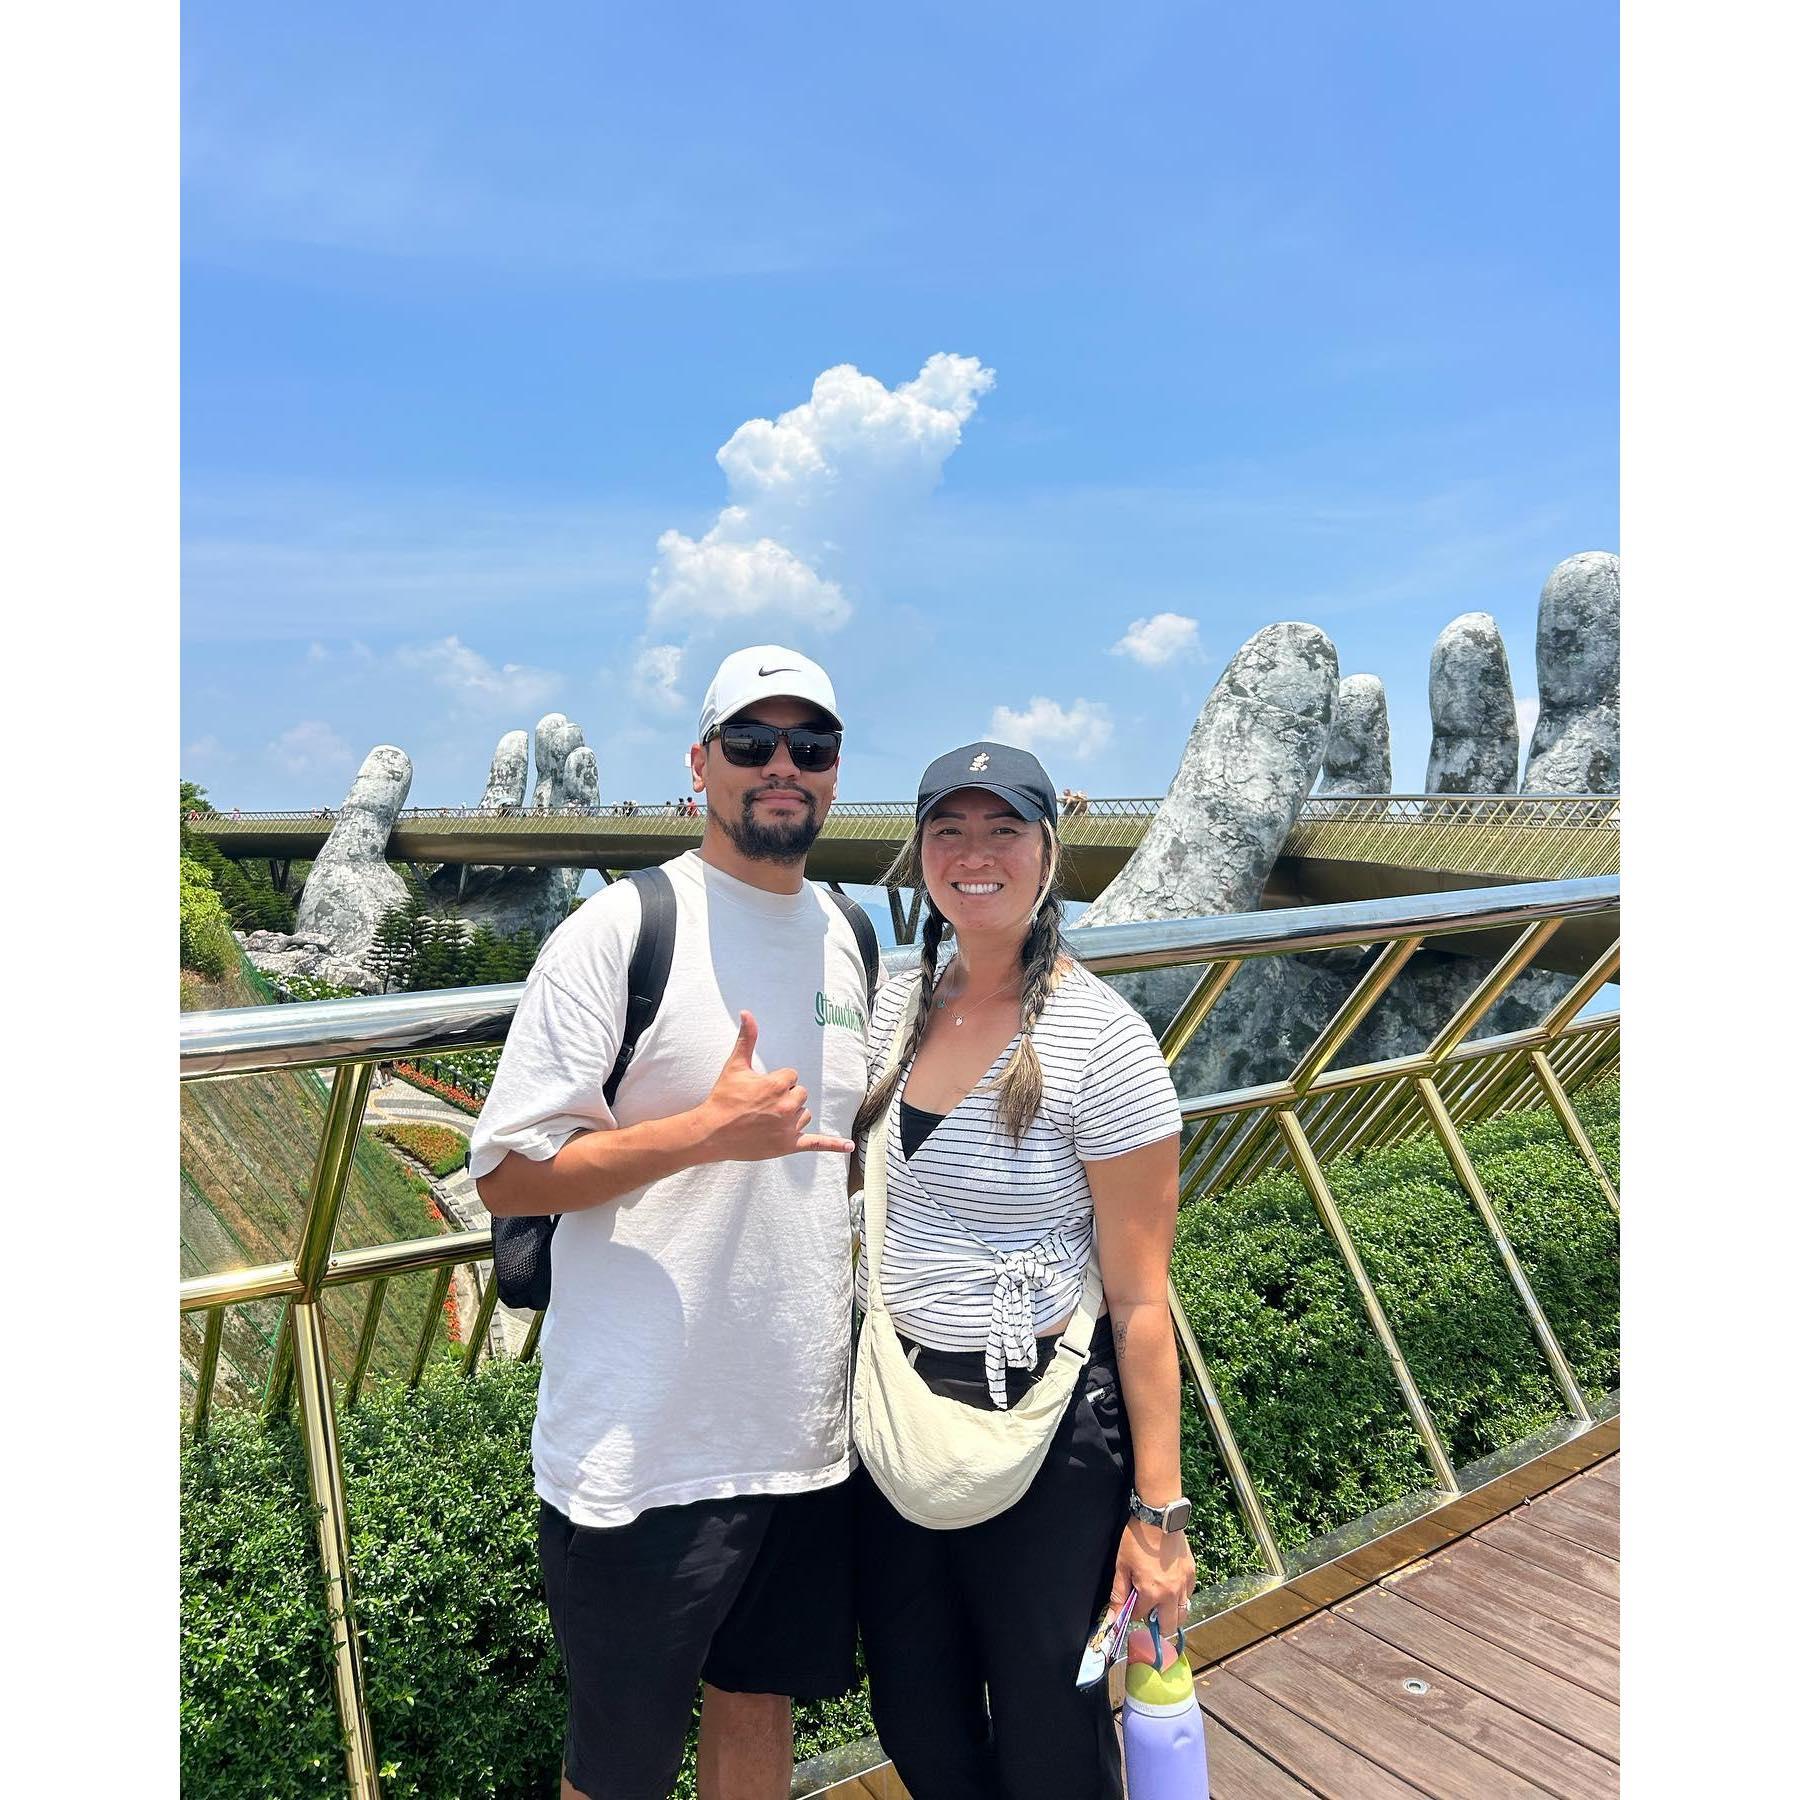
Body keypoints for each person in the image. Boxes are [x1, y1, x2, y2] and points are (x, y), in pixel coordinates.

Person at [471, 645, 871, 1800]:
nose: (782, 765)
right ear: (702, 765)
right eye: (752, 741)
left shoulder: (850, 933)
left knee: (759, 1703)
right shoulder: (623, 928)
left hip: (800, 1425)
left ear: (835, 770)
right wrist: (702, 1135)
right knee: (620, 1763)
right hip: (639, 1443)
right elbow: (508, 1176)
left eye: (810, 744)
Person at [850, 741, 1193, 1800]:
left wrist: (1160, 1520)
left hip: (1044, 1433)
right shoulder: (896, 1003)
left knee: (1050, 1735)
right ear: (919, 854)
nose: (975, 854)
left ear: (1048, 851)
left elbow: (1141, 1301)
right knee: (916, 1715)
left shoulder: (1102, 1042)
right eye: (949, 830)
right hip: (897, 1415)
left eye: (1004, 829)